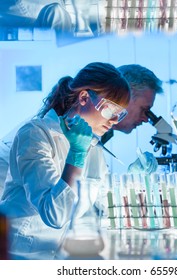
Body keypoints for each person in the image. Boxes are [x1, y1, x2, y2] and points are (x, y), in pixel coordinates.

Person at [0, 62, 131, 259]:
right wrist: (76, 157)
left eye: (120, 114)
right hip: (20, 257)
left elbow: (105, 203)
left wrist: (134, 181)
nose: (114, 120)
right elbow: (55, 215)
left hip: (59, 257)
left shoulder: (93, 147)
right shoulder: (36, 134)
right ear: (84, 97)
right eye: (110, 110)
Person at [101, 64, 164, 173]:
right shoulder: (82, 132)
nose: (145, 119)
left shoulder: (104, 133)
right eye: (144, 110)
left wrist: (132, 177)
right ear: (123, 97)